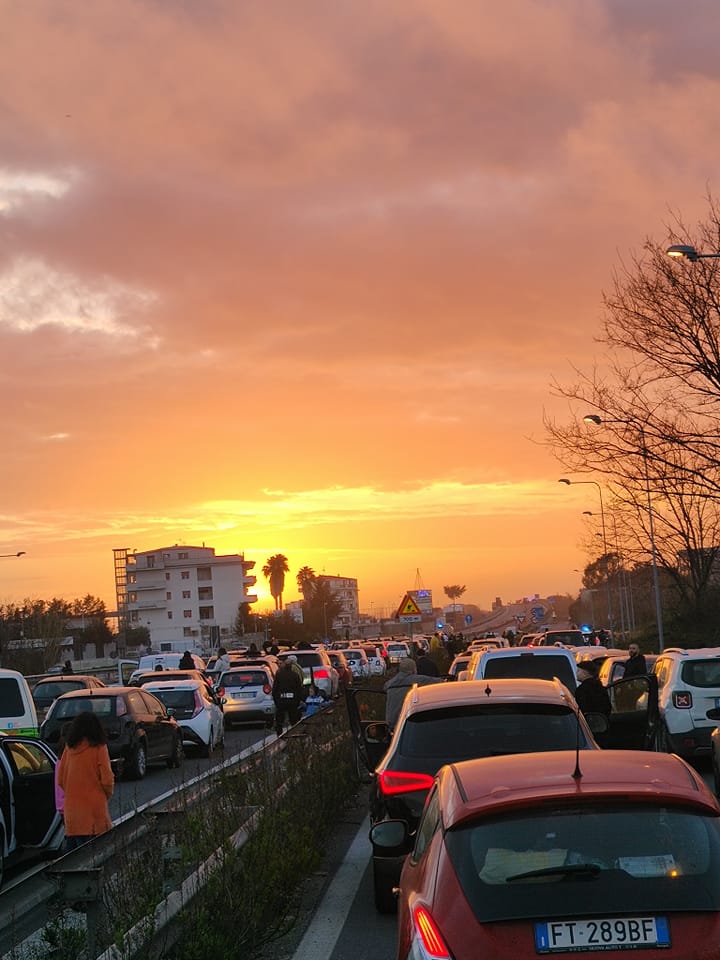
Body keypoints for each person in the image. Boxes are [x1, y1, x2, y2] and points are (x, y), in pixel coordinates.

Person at [56, 711, 114, 851]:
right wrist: (104, 795)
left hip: (72, 814)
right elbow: (107, 779)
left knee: (75, 859)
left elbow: (60, 778)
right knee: (97, 855)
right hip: (94, 812)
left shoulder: (69, 748)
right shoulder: (99, 747)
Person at [384, 658, 442, 730]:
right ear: (413, 669)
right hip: (410, 722)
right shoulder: (418, 680)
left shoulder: (390, 684)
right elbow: (439, 682)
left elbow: (385, 688)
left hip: (392, 723)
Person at [273, 658, 304, 735]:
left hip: (281, 701)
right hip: (292, 701)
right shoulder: (295, 675)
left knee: (280, 719)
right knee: (293, 719)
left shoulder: (279, 675)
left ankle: (279, 733)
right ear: (291, 666)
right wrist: (298, 701)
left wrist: (277, 701)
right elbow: (299, 689)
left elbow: (275, 689)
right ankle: (295, 733)